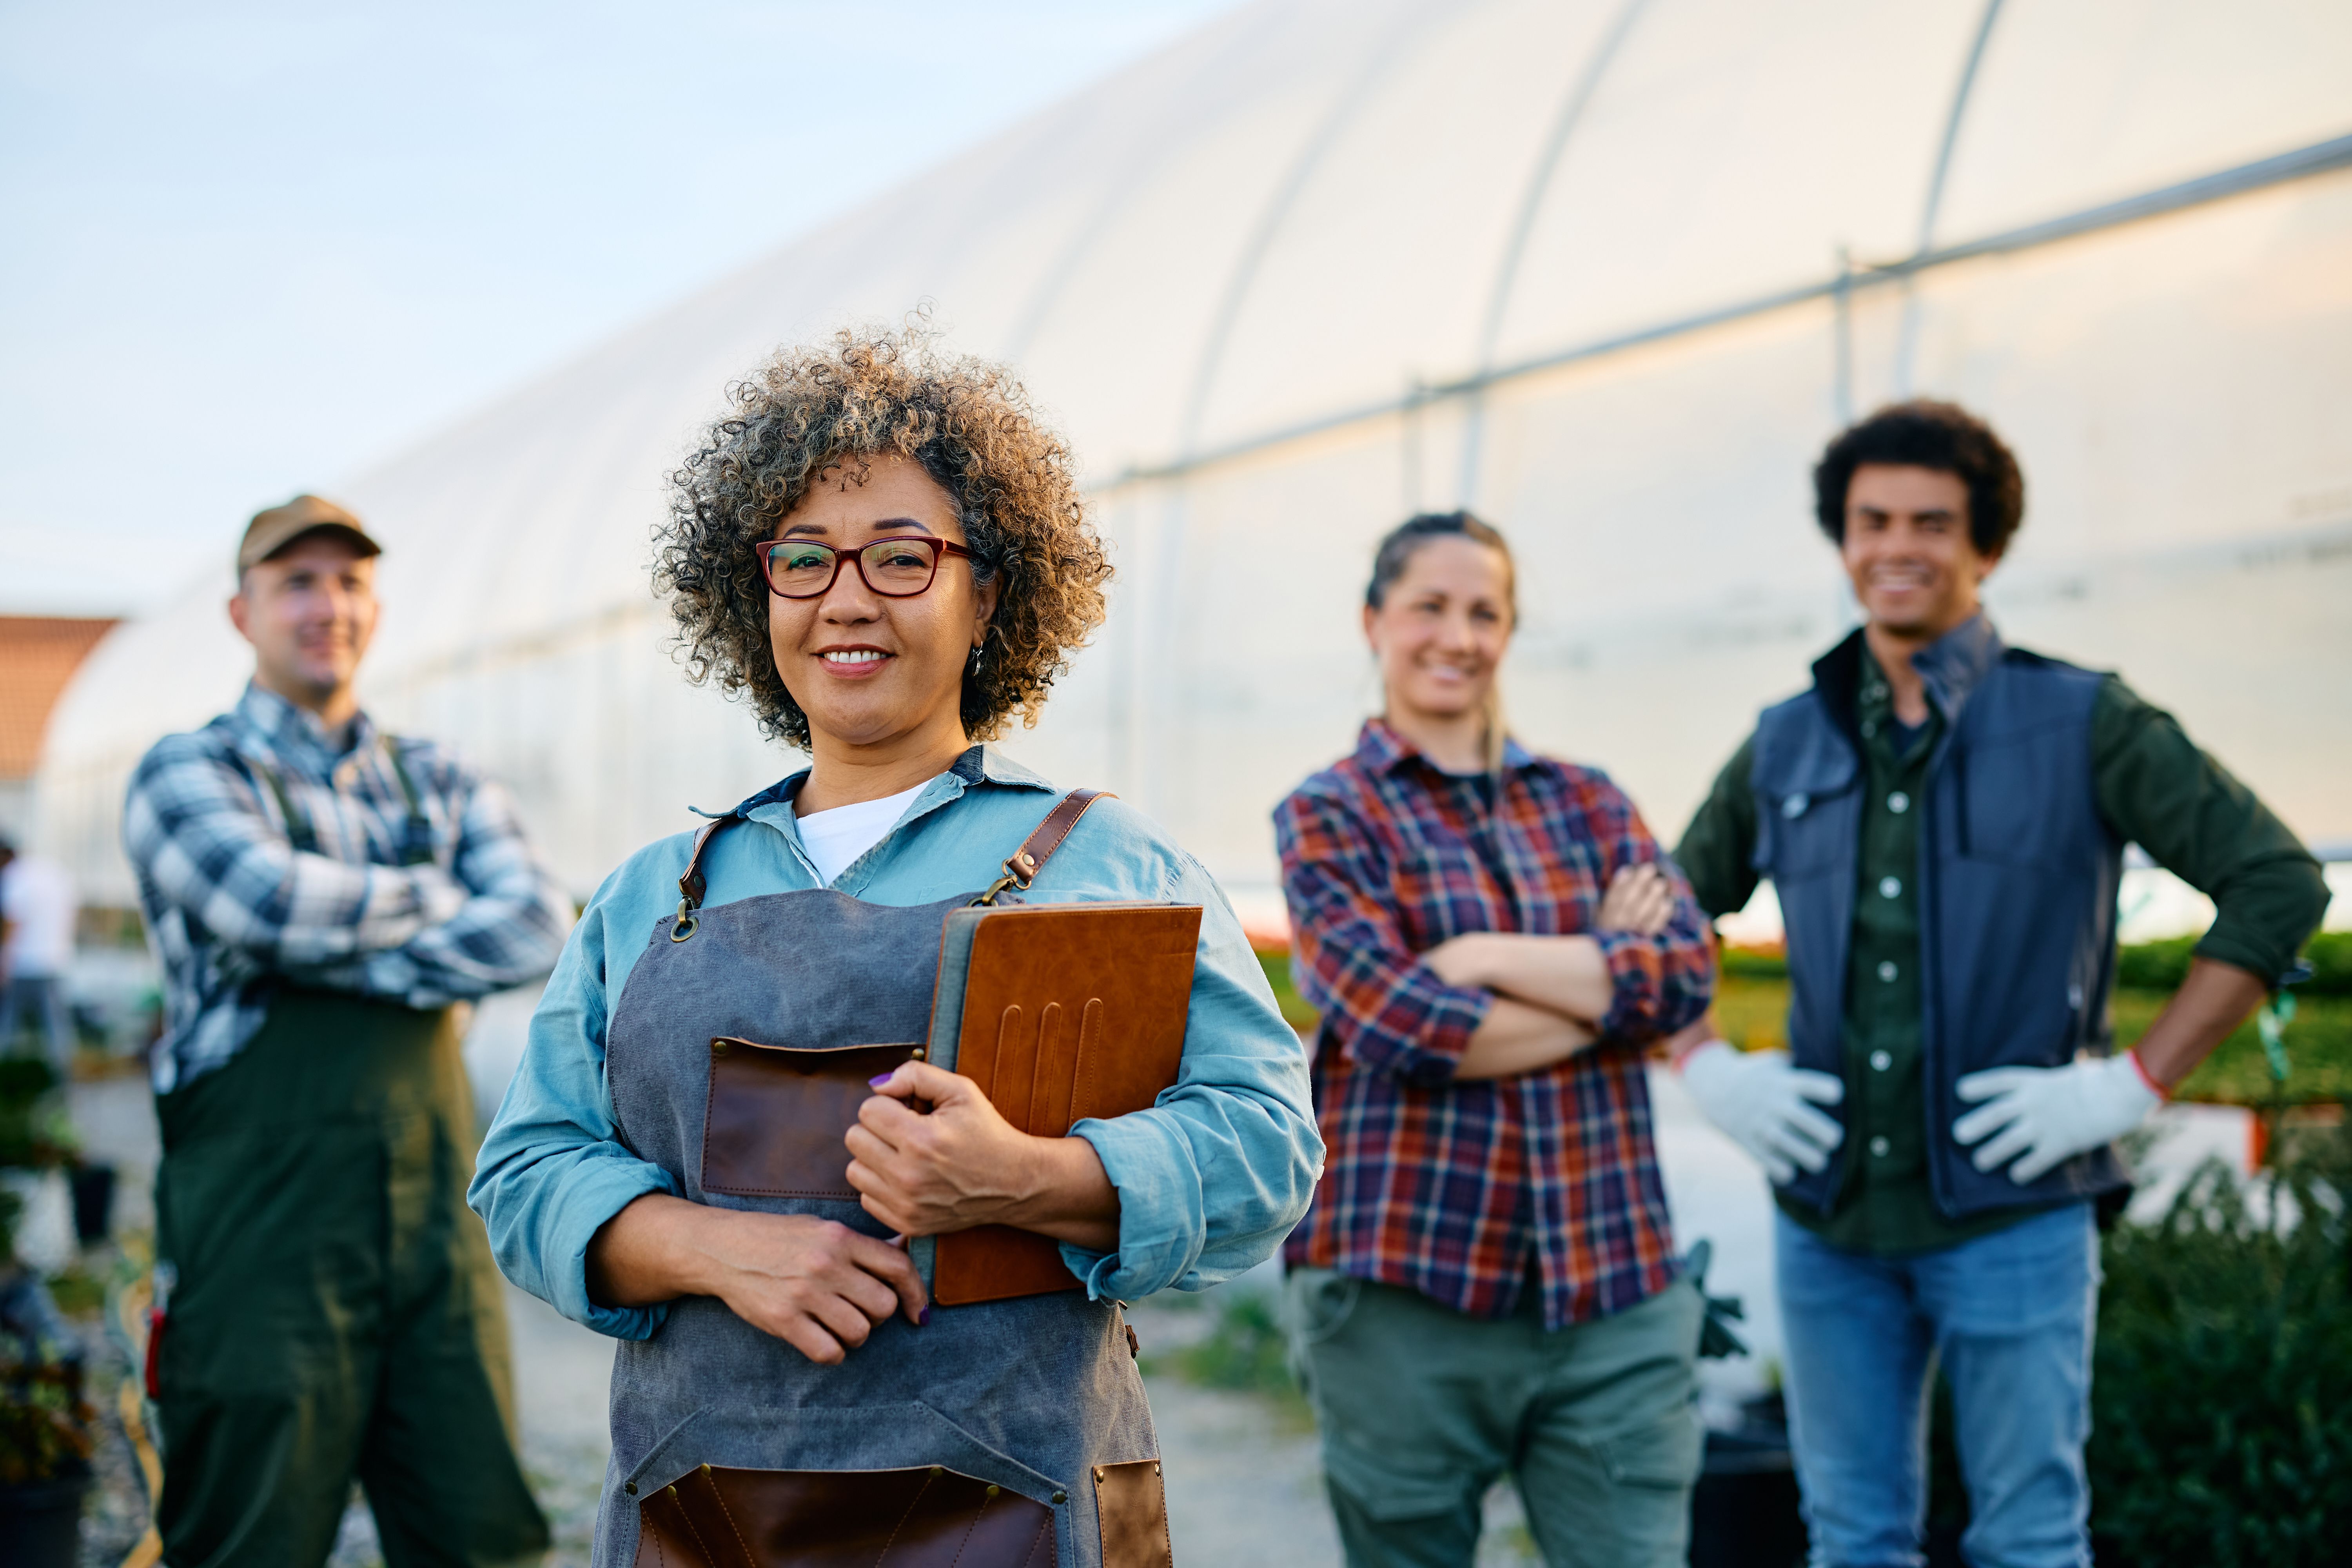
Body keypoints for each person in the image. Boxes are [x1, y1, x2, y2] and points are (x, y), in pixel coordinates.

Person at [468, 325, 1322, 1565]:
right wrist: (714, 1248)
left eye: (903, 556)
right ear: (756, 594)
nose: (847, 598)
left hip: (1025, 1507)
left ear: (991, 595)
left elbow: (1266, 1144)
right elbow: (526, 1170)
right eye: (803, 558)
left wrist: (1026, 1179)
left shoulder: (1105, 861)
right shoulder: (652, 892)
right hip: (702, 1520)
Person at [1670, 400, 2331, 1567]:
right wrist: (1706, 1065)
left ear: (1985, 546)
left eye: (1932, 522)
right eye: (1872, 521)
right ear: (1842, 539)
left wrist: (2131, 1084)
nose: (1897, 546)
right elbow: (1657, 921)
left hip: (2014, 1218)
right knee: (1850, 1537)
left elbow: (2276, 882)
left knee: (2028, 1537)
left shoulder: (2084, 719)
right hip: (1828, 1222)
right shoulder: (1785, 739)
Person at [123, 494, 569, 1568]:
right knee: (248, 1533)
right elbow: (268, 905)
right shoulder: (189, 772)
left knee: (480, 1534)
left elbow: (535, 924)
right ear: (243, 614)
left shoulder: (437, 772)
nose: (328, 606)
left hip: (435, 1235)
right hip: (259, 1239)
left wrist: (336, 943)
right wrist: (436, 899)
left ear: (375, 606)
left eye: (349, 582)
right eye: (297, 583)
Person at [1272, 512, 1716, 1568]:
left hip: (1614, 1288)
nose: (1458, 637)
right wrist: (1605, 981)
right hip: (1405, 1294)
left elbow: (1685, 975)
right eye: (1429, 606)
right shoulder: (1332, 814)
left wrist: (1478, 956)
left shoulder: (1589, 800)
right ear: (1375, 621)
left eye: (1485, 613)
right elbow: (1402, 1024)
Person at [0, 838, 78, 1068]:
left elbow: (13, 922)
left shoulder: (15, 877)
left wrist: (3, 960)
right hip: (55, 960)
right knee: (55, 1024)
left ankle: (7, 1073)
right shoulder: (52, 872)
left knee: (8, 1021)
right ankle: (61, 1074)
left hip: (23, 963)